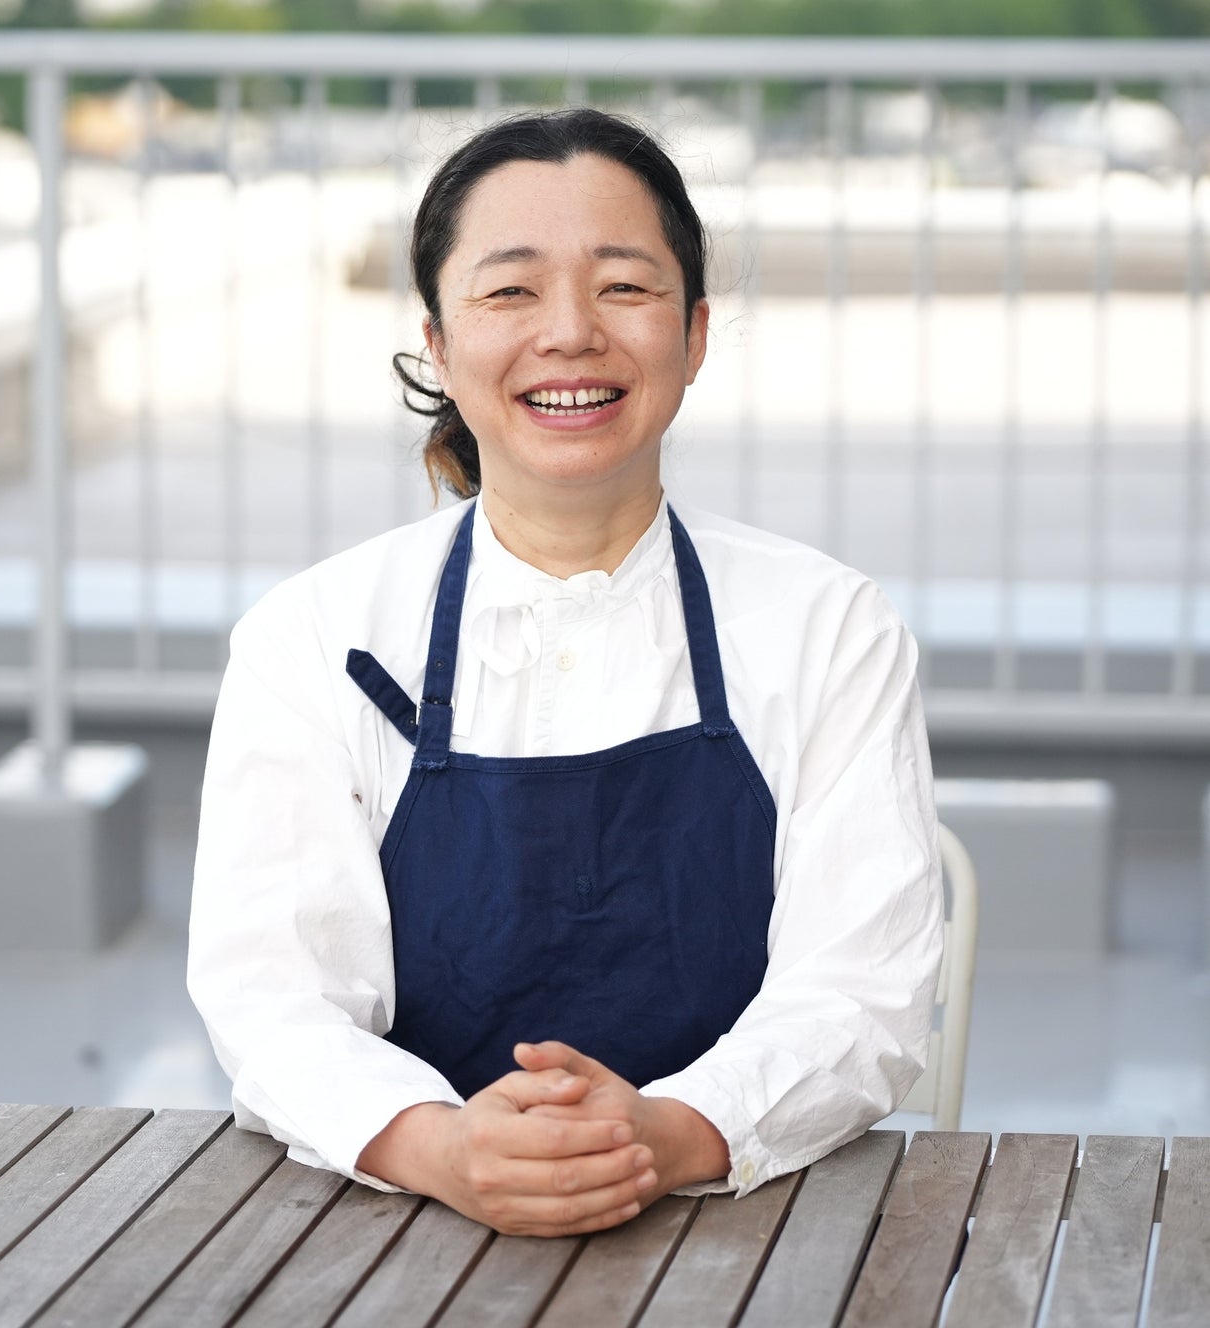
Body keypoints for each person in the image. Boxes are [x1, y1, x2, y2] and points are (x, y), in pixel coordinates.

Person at [188, 107, 943, 1239]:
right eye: (511, 291)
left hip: (750, 1218)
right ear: (439, 344)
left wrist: (668, 1133)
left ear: (693, 334)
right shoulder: (312, 638)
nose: (571, 334)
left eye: (624, 286)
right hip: (400, 1226)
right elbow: (272, 999)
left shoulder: (829, 626)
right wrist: (446, 1147)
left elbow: (863, 992)